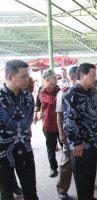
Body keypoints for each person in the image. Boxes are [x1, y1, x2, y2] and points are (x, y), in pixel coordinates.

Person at [64, 63, 97, 200]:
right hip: (81, 144)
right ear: (82, 75)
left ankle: (90, 196)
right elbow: (70, 121)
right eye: (92, 75)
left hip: (92, 141)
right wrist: (76, 143)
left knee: (91, 173)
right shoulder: (72, 94)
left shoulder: (90, 92)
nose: (95, 78)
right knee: (82, 176)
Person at [0, 60, 39, 200]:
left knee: (31, 192)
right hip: (3, 153)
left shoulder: (28, 97)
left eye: (27, 76)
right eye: (23, 76)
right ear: (10, 77)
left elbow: (28, 124)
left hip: (25, 150)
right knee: (6, 194)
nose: (27, 79)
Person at [56, 66, 78, 200]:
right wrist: (61, 133)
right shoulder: (64, 92)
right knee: (67, 162)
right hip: (69, 132)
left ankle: (84, 187)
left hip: (82, 133)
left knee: (82, 161)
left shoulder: (87, 91)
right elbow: (59, 114)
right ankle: (62, 190)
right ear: (73, 77)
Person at [39, 70, 61, 178]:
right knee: (51, 148)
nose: (56, 78)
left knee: (65, 146)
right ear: (47, 79)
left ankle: (67, 166)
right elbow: (54, 101)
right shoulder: (43, 92)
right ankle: (53, 168)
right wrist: (63, 94)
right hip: (49, 125)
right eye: (53, 77)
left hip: (60, 124)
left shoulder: (58, 89)